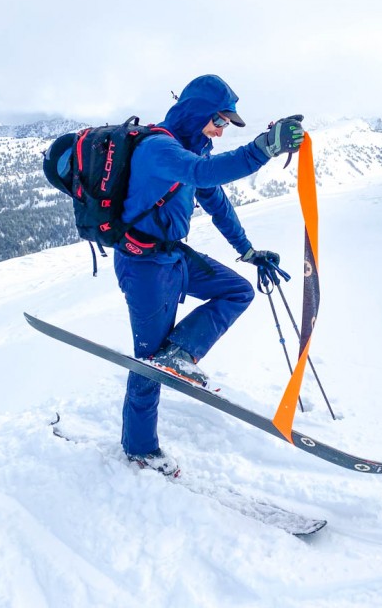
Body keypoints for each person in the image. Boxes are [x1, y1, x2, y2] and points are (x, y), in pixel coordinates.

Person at [115, 74, 304, 476]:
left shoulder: (189, 151)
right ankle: (139, 449)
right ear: (197, 112)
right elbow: (204, 174)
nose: (220, 131)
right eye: (218, 121)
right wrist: (264, 147)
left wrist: (248, 251)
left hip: (173, 257)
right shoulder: (159, 148)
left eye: (225, 125)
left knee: (236, 290)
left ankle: (180, 352)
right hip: (143, 266)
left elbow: (217, 204)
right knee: (149, 364)